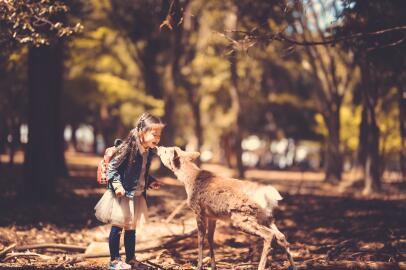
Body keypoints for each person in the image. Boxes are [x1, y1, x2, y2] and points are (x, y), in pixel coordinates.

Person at [94, 112, 164, 270]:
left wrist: (150, 181)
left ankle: (131, 258)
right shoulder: (129, 147)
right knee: (118, 226)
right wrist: (117, 185)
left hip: (137, 195)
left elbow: (141, 171)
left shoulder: (149, 151)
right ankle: (114, 260)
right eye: (154, 134)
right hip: (122, 193)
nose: (157, 138)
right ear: (141, 131)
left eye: (159, 135)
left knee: (131, 228)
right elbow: (113, 168)